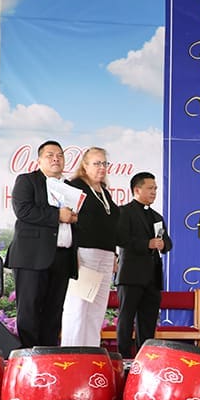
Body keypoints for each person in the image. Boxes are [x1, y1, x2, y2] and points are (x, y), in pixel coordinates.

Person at [5, 140, 79, 347]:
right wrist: (57, 215)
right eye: (50, 155)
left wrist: (75, 219)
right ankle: (29, 360)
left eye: (60, 155)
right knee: (29, 311)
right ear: (39, 160)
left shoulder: (70, 188)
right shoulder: (27, 181)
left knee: (54, 314)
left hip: (62, 258)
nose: (56, 158)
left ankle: (50, 358)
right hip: (32, 257)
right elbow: (23, 210)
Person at [60, 147, 120, 346]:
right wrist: (73, 253)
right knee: (78, 307)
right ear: (85, 166)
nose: (101, 168)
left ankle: (91, 353)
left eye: (104, 163)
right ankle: (71, 353)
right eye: (96, 163)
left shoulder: (104, 192)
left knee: (96, 310)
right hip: (85, 253)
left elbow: (111, 226)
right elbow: (68, 222)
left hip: (106, 255)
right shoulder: (75, 187)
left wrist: (115, 255)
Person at [114, 171, 172, 358]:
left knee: (147, 322)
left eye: (155, 188)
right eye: (150, 188)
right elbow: (121, 239)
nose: (154, 192)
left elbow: (168, 242)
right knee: (126, 319)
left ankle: (144, 359)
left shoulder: (157, 216)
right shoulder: (124, 211)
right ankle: (122, 358)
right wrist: (146, 243)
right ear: (137, 189)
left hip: (152, 278)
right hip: (130, 276)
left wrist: (163, 245)